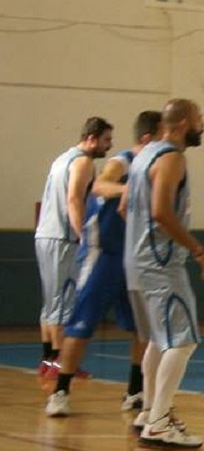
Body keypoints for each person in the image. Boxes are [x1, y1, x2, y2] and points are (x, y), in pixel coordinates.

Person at [45, 110, 162, 418]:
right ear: (149, 138)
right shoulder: (122, 162)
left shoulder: (158, 170)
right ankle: (60, 391)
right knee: (82, 325)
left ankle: (135, 391)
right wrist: (129, 190)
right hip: (103, 254)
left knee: (142, 328)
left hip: (134, 258)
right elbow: (100, 186)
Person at [123, 98, 204, 449]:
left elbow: (124, 206)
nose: (203, 125)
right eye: (199, 118)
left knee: (158, 340)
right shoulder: (172, 157)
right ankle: (159, 423)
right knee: (184, 340)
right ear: (183, 124)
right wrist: (198, 250)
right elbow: (161, 212)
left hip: (136, 261)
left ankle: (149, 412)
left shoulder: (143, 155)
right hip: (160, 264)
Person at [35, 116, 114, 379]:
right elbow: (74, 200)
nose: (109, 145)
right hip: (63, 238)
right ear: (91, 138)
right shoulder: (83, 162)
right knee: (63, 301)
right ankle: (61, 364)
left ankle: (47, 359)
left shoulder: (61, 159)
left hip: (45, 235)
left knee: (50, 301)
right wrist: (83, 236)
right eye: (106, 140)